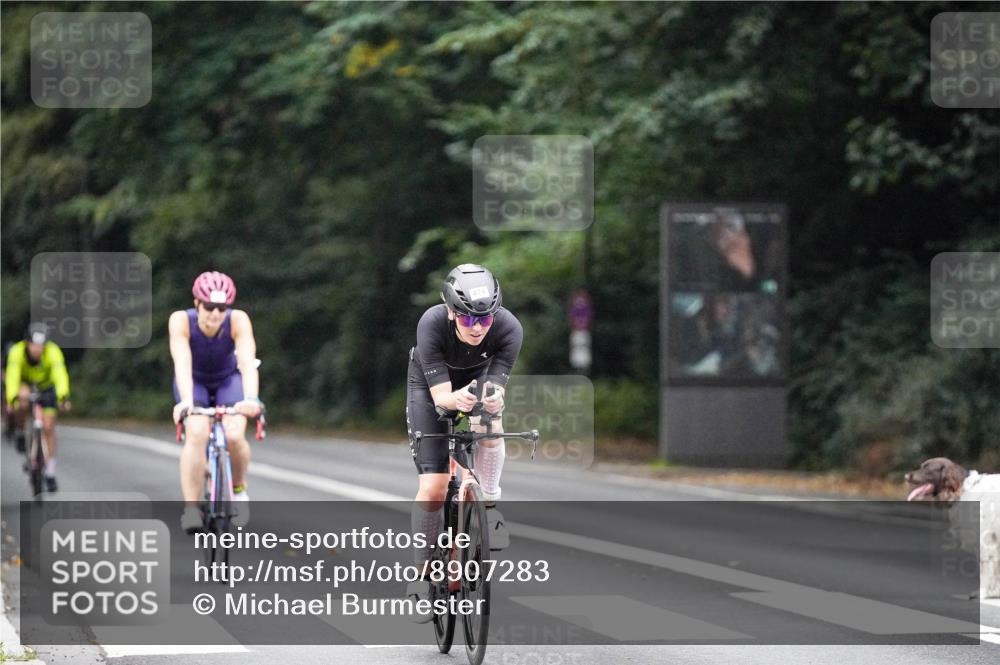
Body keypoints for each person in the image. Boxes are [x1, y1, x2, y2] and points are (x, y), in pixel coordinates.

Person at [404, 264, 523, 618]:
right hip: (430, 387)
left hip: (477, 378)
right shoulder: (431, 323)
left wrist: (493, 399)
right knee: (434, 487)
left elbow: (496, 385)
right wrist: (458, 400)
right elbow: (442, 398)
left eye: (485, 320)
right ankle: (423, 577)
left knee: (491, 419)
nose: (478, 328)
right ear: (452, 312)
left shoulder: (509, 328)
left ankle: (489, 507)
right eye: (470, 320)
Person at [169, 271, 263, 533]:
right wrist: (187, 400)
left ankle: (239, 488)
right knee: (196, 432)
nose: (215, 314)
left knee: (234, 434)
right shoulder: (181, 320)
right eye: (209, 307)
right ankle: (191, 509)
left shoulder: (238, 320)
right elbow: (182, 362)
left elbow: (247, 361)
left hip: (227, 380)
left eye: (222, 308)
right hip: (194, 381)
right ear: (197, 303)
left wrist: (252, 398)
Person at [5, 324, 71, 491]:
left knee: (48, 427)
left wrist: (63, 396)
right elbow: (12, 376)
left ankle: (50, 471)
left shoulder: (53, 352)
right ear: (27, 343)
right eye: (34, 345)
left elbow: (60, 374)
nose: (37, 350)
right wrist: (12, 397)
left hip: (46, 387)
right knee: (22, 400)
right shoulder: (17, 352)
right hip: (25, 384)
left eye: (41, 346)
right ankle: (20, 430)